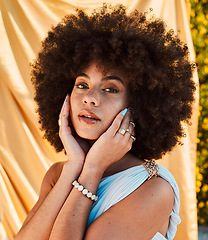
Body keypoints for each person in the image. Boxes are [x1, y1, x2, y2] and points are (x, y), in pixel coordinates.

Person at [15, 4, 196, 240]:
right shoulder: (59, 174)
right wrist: (75, 167)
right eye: (82, 85)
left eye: (110, 89)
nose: (90, 98)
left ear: (139, 105)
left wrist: (91, 171)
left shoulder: (154, 188)